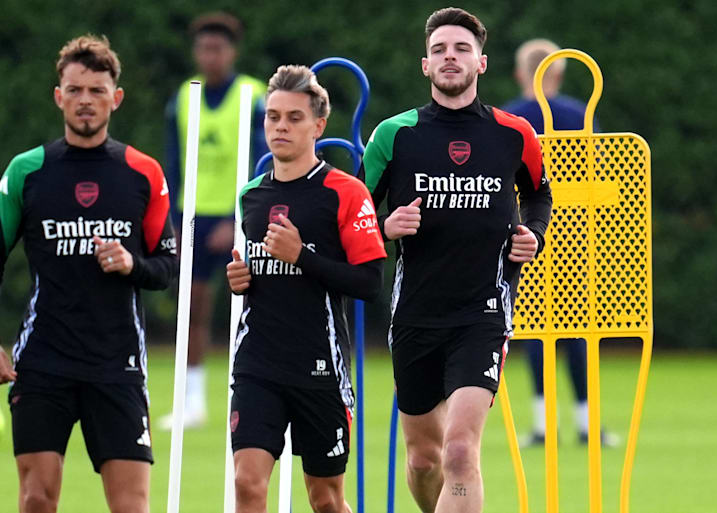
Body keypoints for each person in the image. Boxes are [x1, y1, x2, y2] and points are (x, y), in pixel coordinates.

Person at [360, 8, 552, 513]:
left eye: (462, 49)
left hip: (483, 313)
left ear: (482, 63)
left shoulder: (515, 133)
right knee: (425, 460)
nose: (451, 57)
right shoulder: (394, 135)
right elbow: (354, 215)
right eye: (440, 49)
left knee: (461, 449)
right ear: (425, 65)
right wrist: (384, 228)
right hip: (416, 316)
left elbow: (539, 196)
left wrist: (532, 234)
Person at [0, 35, 178, 513]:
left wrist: (130, 264)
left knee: (131, 506)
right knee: (36, 499)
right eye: (75, 90)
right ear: (58, 95)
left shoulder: (143, 173)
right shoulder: (27, 171)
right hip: (43, 363)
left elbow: (166, 267)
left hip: (116, 364)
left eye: (96, 91)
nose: (85, 101)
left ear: (115, 98)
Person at [226, 64, 386, 513]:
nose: (281, 126)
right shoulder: (251, 195)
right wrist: (239, 281)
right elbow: (256, 272)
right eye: (273, 116)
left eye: (294, 118)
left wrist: (304, 257)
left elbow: (370, 283)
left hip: (319, 367)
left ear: (318, 126)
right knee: (247, 483)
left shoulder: (345, 192)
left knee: (326, 499)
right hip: (257, 362)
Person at [502, 38, 616, 448]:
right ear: (559, 73)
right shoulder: (579, 115)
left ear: (520, 73)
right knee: (578, 330)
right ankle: (587, 424)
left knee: (534, 330)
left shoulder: (510, 118)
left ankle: (541, 423)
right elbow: (606, 176)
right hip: (575, 238)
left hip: (525, 235)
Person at [160, 11, 268, 429]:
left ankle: (256, 396)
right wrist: (171, 216)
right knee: (192, 307)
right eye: (203, 48)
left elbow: (264, 160)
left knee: (254, 310)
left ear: (232, 51)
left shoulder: (253, 94)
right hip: (191, 218)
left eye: (218, 48)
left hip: (241, 217)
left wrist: (236, 216)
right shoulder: (184, 96)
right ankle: (192, 401)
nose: (210, 55)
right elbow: (172, 160)